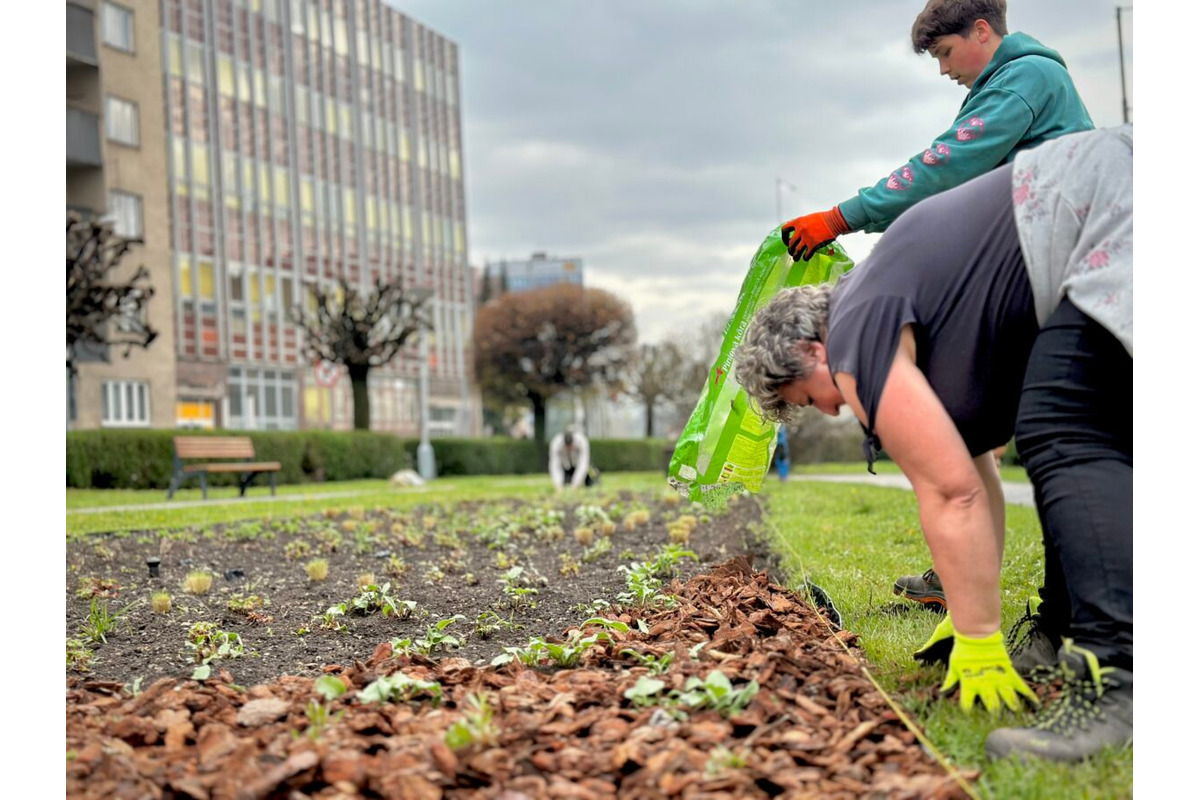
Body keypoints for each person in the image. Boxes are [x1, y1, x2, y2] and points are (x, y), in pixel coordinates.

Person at [735, 125, 1131, 762]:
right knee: (1059, 422)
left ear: (812, 350)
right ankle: (1063, 635)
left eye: (810, 397)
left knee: (1064, 428)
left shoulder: (859, 327)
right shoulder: (899, 304)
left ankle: (1118, 681)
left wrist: (977, 638)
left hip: (1106, 208)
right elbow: (974, 473)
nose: (833, 410)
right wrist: (966, 606)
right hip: (1104, 202)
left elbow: (952, 495)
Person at [780, 0, 1094, 612]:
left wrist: (844, 216)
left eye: (946, 53)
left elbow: (947, 165)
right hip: (1034, 265)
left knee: (1055, 436)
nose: (944, 70)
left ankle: (1067, 607)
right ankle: (963, 575)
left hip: (1064, 262)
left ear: (982, 31)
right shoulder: (1001, 88)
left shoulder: (1028, 78)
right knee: (978, 436)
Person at [549, 426, 598, 492]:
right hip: (566, 466)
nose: (569, 449)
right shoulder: (556, 444)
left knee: (589, 477)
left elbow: (583, 464)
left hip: (578, 463)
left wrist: (575, 484)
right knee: (565, 481)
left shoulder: (582, 442)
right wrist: (558, 484)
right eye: (567, 447)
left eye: (571, 447)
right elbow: (555, 466)